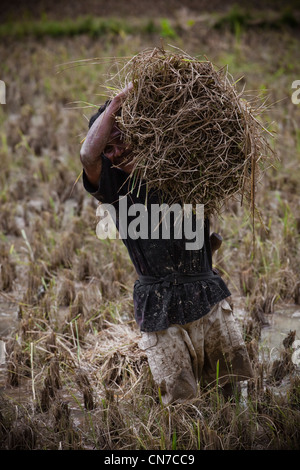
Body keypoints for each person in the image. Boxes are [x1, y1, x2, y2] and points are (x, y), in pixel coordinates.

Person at [80, 85, 253, 405]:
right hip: (160, 307)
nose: (115, 153)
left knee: (231, 396)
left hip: (207, 296)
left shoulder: (184, 169)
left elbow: (228, 141)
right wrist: (118, 102)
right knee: (181, 402)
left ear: (145, 133)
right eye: (109, 148)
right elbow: (88, 155)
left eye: (121, 141)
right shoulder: (114, 188)